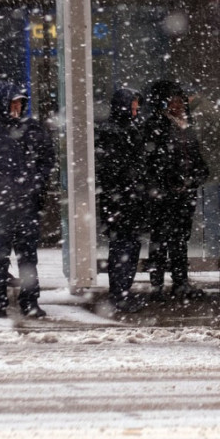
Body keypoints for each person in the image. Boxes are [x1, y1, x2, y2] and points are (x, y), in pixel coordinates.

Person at [0, 80, 56, 318]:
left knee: (28, 257)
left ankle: (30, 301)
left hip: (26, 205)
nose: (17, 108)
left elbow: (48, 160)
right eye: (13, 103)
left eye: (20, 103)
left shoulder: (33, 128)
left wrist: (35, 182)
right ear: (4, 103)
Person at [142, 80, 210, 303]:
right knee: (161, 238)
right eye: (174, 101)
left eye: (180, 101)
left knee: (179, 238)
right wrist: (169, 179)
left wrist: (197, 175)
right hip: (164, 193)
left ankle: (180, 282)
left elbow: (195, 156)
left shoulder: (185, 126)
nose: (179, 105)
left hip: (183, 192)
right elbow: (153, 160)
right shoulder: (156, 125)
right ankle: (158, 284)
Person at [95, 87, 146, 314]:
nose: (135, 111)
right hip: (120, 200)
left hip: (128, 199)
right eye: (132, 107)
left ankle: (123, 290)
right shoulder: (111, 131)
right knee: (122, 247)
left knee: (129, 246)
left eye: (136, 107)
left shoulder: (129, 129)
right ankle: (120, 292)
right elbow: (112, 168)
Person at [188, 87, 220, 258]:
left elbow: (197, 141)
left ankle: (217, 250)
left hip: (212, 169)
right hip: (219, 167)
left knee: (211, 210)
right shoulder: (209, 108)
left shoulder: (200, 113)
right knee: (215, 208)